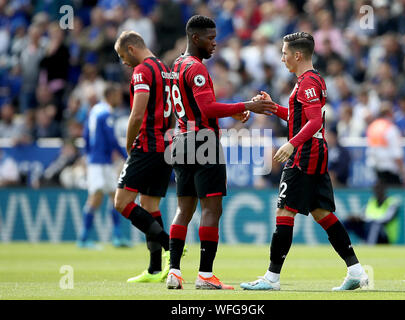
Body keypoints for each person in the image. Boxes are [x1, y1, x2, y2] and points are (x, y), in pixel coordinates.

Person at [240, 32, 368, 291]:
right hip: (315, 150)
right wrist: (273, 107)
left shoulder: (307, 83)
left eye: (285, 53)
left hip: (305, 153)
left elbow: (314, 122)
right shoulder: (311, 80)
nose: (282, 58)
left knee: (284, 211)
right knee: (321, 212)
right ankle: (356, 271)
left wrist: (291, 144)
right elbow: (301, 117)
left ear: (298, 55)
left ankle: (271, 278)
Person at [166, 15, 277, 290]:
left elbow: (196, 107)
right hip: (203, 141)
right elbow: (207, 109)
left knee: (183, 209)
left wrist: (235, 111)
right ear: (195, 38)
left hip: (181, 139)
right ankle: (205, 275)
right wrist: (248, 105)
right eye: (211, 38)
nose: (215, 44)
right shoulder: (197, 69)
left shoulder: (177, 65)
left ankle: (174, 272)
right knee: (211, 209)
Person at [113, 31, 174, 283]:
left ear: (131, 48)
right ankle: (155, 269)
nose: (122, 62)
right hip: (165, 146)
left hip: (147, 145)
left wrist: (129, 145)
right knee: (150, 206)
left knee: (122, 202)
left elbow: (137, 114)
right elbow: (171, 113)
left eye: (121, 56)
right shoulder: (165, 69)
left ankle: (172, 246)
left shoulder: (142, 71)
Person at [78, 83, 129, 249]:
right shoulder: (105, 113)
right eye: (117, 96)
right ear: (111, 96)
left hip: (99, 160)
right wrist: (127, 156)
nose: (119, 99)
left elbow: (86, 134)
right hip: (100, 163)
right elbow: (111, 139)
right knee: (96, 197)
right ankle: (84, 238)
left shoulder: (95, 110)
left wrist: (87, 154)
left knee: (114, 197)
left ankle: (117, 236)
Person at [343, 180, 400, 245]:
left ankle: (369, 247)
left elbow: (387, 219)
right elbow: (363, 215)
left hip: (386, 236)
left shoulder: (392, 203)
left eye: (379, 188)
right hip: (370, 230)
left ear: (384, 189)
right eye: (375, 188)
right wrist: (356, 218)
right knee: (349, 222)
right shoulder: (372, 202)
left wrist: (367, 219)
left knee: (374, 224)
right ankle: (339, 245)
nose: (377, 191)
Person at [366, 102, 405, 186]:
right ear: (389, 113)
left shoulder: (372, 127)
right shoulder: (391, 129)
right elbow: (397, 155)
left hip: (377, 170)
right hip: (391, 171)